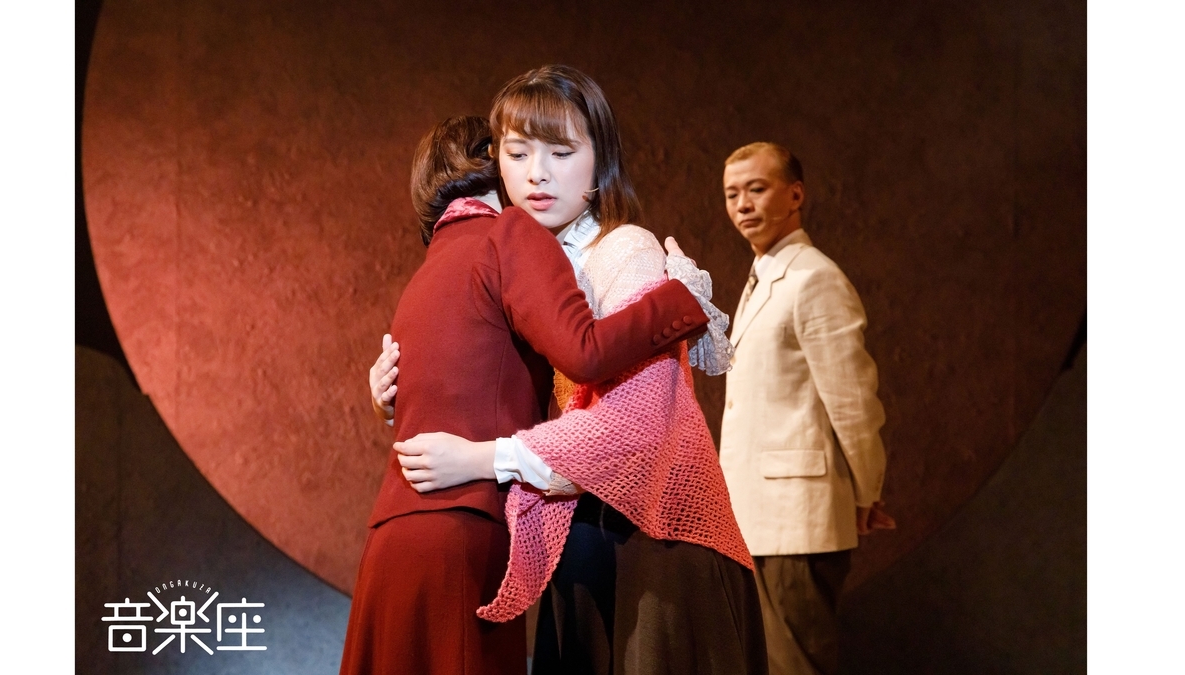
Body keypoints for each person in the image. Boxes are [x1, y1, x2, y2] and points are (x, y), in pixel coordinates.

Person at [388, 66, 768, 675]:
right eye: (517, 153)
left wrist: (485, 458)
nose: (537, 174)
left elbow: (634, 427)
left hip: (656, 541)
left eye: (562, 153)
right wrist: (391, 389)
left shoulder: (624, 250)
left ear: (600, 163)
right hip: (579, 536)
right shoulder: (523, 265)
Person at [338, 115, 713, 675]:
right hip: (464, 528)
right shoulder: (509, 236)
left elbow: (434, 386)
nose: (535, 172)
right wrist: (683, 299)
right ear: (494, 164)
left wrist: (384, 402)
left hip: (393, 532)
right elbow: (584, 351)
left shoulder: (429, 268)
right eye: (516, 155)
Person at [717, 142, 896, 675]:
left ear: (795, 195)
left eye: (756, 189)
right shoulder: (763, 276)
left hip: (796, 519)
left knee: (795, 666)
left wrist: (866, 491)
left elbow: (852, 401)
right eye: (731, 194)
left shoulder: (814, 278)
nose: (743, 204)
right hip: (759, 517)